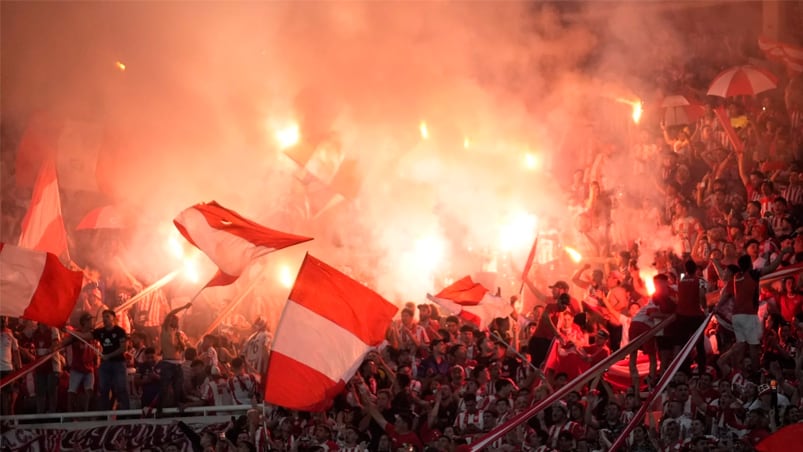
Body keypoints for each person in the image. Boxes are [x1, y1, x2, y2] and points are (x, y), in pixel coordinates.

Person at [91, 309, 130, 410]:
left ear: (113, 318)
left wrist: (109, 355)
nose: (105, 319)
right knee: (104, 389)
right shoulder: (100, 332)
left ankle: (126, 414)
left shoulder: (120, 331)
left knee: (121, 388)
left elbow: (123, 348)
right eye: (103, 317)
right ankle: (104, 414)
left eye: (107, 316)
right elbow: (86, 335)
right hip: (105, 365)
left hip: (118, 363)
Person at [158, 302, 192, 414]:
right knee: (164, 387)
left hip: (178, 363)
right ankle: (160, 410)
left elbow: (181, 349)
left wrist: (181, 340)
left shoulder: (178, 334)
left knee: (178, 387)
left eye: (176, 320)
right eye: (174, 319)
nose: (175, 321)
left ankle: (178, 407)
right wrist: (183, 306)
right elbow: (170, 313)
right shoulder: (165, 329)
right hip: (167, 363)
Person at [64, 313, 100, 412]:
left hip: (89, 368)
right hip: (77, 368)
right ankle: (70, 414)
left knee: (89, 391)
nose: (92, 322)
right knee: (72, 391)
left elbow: (95, 348)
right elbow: (66, 342)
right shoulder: (75, 334)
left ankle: (85, 412)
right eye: (90, 320)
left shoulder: (92, 334)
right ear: (84, 322)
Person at [0, 316, 21, 415]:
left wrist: (19, 368)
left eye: (4, 318)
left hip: (7, 369)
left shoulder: (10, 334)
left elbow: (16, 352)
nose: (3, 320)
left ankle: (6, 419)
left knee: (7, 395)